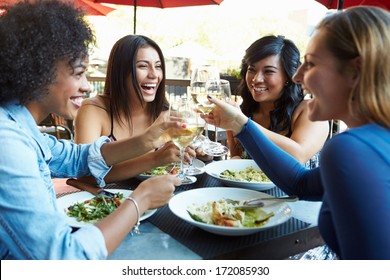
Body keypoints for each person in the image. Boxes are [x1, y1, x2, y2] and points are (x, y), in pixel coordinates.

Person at [203, 6, 390, 260]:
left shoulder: (349, 148)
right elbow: (299, 183)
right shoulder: (376, 139)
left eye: (310, 64)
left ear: (354, 72)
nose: (298, 76)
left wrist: (243, 123)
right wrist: (241, 125)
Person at [0, 0, 182, 260]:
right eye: (79, 73)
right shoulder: (7, 142)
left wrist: (147, 139)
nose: (86, 86)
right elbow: (65, 258)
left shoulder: (19, 125)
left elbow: (78, 157)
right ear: (39, 71)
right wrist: (139, 201)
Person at [73, 35, 185, 182]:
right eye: (143, 66)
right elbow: (85, 176)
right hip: (112, 200)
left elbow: (180, 155)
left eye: (158, 66)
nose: (154, 74)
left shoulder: (164, 114)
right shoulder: (93, 110)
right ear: (121, 71)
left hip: (160, 196)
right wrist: (155, 158)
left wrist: (194, 151)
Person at [227, 35, 329, 168]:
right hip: (248, 189)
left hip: (297, 189)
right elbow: (236, 155)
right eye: (252, 69)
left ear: (288, 76)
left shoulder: (311, 111)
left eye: (269, 71)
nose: (257, 79)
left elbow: (297, 156)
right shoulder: (244, 112)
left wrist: (244, 124)